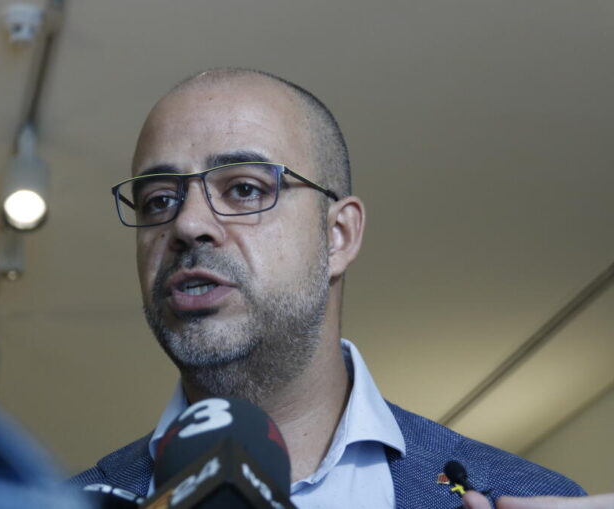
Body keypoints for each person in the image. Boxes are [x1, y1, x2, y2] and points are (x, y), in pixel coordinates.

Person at [70, 68, 595, 508]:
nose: (187, 224)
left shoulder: (521, 495)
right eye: (159, 200)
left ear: (338, 235)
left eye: (245, 189)